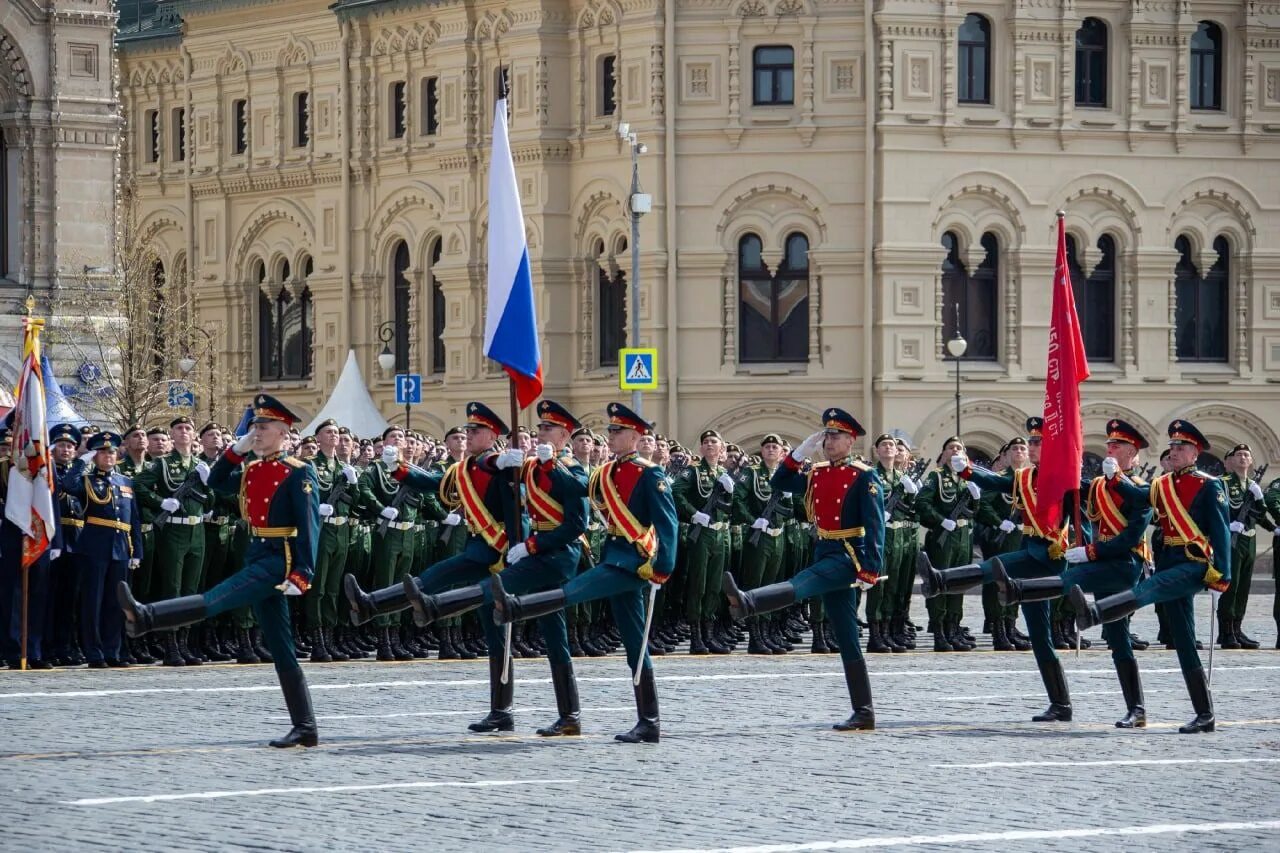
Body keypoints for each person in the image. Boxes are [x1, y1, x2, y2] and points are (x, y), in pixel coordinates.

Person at [118, 394, 322, 747]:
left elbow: (309, 525)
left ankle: (148, 616)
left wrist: (303, 571)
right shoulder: (254, 469)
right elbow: (215, 481)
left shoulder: (299, 472)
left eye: (264, 427)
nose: (256, 432)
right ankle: (306, 726)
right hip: (256, 552)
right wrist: (235, 451)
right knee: (281, 644)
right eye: (255, 426)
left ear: (284, 431)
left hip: (280, 560)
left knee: (217, 597)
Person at [491, 402, 678, 743]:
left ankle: (516, 607)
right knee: (635, 643)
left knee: (576, 589)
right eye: (610, 430)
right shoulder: (606, 472)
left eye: (618, 431)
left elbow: (668, 524)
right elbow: (573, 489)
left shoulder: (650, 473)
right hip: (613, 554)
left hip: (633, 561)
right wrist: (546, 465)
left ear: (636, 437)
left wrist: (663, 566)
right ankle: (649, 722)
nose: (611, 435)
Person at [403, 400, 590, 736]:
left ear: (564, 435)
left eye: (548, 428)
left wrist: (531, 545)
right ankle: (557, 715)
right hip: (534, 551)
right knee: (552, 633)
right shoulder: (535, 466)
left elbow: (577, 523)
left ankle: (436, 606)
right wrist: (505, 463)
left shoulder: (572, 469)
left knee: (497, 590)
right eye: (540, 427)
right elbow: (495, 480)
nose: (540, 433)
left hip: (558, 555)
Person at [723, 407, 885, 731]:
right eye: (826, 435)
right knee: (848, 637)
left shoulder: (863, 475)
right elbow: (779, 480)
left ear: (851, 440)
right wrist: (798, 453)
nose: (829, 441)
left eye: (836, 436)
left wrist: (870, 568)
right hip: (823, 546)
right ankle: (864, 711)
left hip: (847, 555)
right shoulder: (819, 472)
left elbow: (875, 524)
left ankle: (749, 601)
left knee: (803, 583)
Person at [1068, 419, 1229, 734]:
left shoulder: (1209, 484)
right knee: (1183, 641)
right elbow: (1139, 496)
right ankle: (1205, 714)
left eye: (1182, 447)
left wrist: (1222, 576)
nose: (1175, 452)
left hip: (1193, 563)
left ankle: (1095, 613)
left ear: (1195, 453)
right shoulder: (1163, 484)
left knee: (1150, 589)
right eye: (1172, 447)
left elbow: (1221, 533)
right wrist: (1114, 479)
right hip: (1169, 559)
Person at [917, 416, 1082, 722]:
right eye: (1029, 442)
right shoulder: (1023, 477)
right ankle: (1061, 704)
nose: (1030, 447)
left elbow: (1085, 509)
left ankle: (940, 581)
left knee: (996, 568)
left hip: (1052, 558)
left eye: (1036, 442)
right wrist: (966, 470)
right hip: (1031, 555)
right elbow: (994, 481)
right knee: (1040, 636)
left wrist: (1086, 546)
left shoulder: (1065, 477)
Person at [60, 432, 142, 668]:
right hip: (94, 547)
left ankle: (112, 651)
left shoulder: (125, 482)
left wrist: (137, 551)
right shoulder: (86, 481)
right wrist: (82, 460)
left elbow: (133, 519)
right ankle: (94, 653)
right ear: (96, 456)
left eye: (112, 452)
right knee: (92, 602)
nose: (108, 456)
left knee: (116, 603)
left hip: (121, 548)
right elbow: (67, 485)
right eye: (103, 452)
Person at [1217, 444, 1265, 649]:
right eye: (1239, 455)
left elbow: (1260, 514)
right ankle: (1226, 632)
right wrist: (1228, 525)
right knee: (1231, 585)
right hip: (1232, 538)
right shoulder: (1224, 483)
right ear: (1231, 460)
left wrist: (1259, 497)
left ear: (1251, 461)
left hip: (1249, 539)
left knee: (1244, 586)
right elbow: (1218, 509)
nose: (1243, 458)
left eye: (1247, 455)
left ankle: (1238, 628)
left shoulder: (1253, 485)